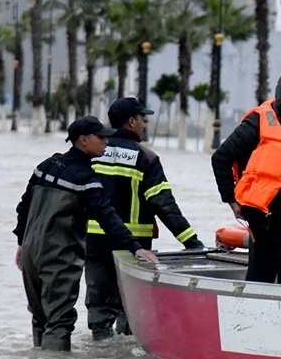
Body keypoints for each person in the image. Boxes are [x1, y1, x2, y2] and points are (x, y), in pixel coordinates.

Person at [14, 117, 159, 351]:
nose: (106, 141)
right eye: (100, 137)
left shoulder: (45, 166)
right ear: (83, 140)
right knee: (59, 321)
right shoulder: (85, 180)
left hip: (31, 251)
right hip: (58, 257)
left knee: (40, 317)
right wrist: (136, 247)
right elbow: (107, 217)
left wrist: (22, 242)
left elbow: (24, 207)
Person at [85, 97, 203, 340]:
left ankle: (99, 351)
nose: (144, 125)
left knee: (99, 306)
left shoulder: (92, 153)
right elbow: (164, 204)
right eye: (142, 119)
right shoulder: (145, 158)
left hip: (94, 241)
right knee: (130, 309)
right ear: (131, 121)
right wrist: (192, 243)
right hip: (133, 247)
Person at [211, 67, 281, 286]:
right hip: (267, 224)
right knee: (259, 283)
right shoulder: (258, 122)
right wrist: (231, 200)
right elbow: (221, 158)